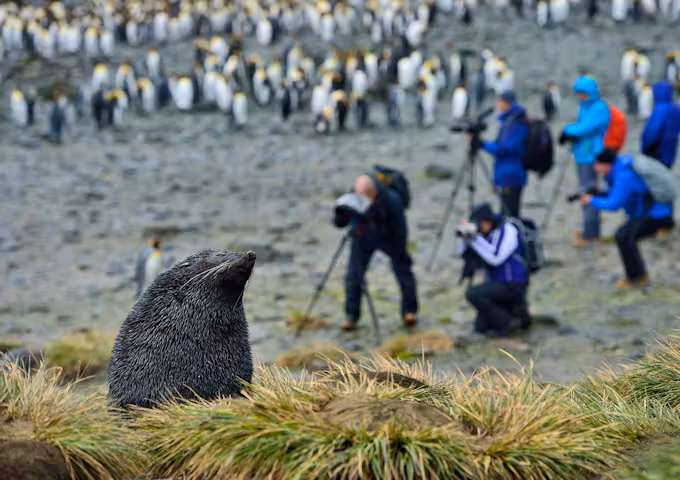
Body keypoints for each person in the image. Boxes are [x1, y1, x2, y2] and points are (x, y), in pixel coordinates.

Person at [333, 175, 418, 330]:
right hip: (363, 237)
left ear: (373, 193)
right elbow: (339, 224)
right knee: (353, 276)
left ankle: (410, 311)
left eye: (363, 197)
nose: (359, 200)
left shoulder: (392, 201)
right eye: (357, 195)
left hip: (389, 237)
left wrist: (399, 251)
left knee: (403, 270)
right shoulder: (353, 197)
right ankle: (351, 315)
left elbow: (401, 230)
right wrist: (340, 214)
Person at [581, 149, 674, 288]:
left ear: (606, 164)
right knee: (624, 236)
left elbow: (614, 204)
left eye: (597, 165)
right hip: (650, 212)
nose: (595, 168)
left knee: (623, 237)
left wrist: (591, 200)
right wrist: (601, 194)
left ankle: (637, 278)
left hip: (656, 215)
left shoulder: (623, 175)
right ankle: (638, 276)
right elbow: (622, 194)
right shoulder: (620, 167)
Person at [458, 203, 530, 337]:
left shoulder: (508, 229)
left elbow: (495, 257)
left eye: (481, 224)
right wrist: (464, 238)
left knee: (473, 294)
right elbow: (464, 255)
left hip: (513, 283)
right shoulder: (486, 232)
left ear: (487, 221)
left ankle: (507, 322)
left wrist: (474, 239)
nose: (480, 228)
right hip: (497, 283)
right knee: (480, 328)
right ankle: (511, 315)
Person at [559, 75, 611, 247]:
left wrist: (568, 130)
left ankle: (591, 234)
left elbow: (586, 128)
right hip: (582, 154)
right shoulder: (586, 107)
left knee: (588, 191)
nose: (580, 96)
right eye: (578, 93)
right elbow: (582, 129)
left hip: (591, 156)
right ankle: (590, 230)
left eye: (583, 93)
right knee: (586, 190)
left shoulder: (599, 108)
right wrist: (572, 135)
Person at [474, 89, 529, 218]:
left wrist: (482, 144)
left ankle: (514, 237)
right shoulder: (511, 120)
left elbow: (504, 149)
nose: (498, 104)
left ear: (507, 103)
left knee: (510, 215)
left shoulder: (515, 123)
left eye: (500, 101)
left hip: (511, 175)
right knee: (508, 213)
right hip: (509, 174)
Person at [641, 81, 680, 169]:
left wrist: (645, 148)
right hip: (670, 151)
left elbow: (652, 133)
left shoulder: (660, 110)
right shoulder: (675, 109)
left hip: (656, 151)